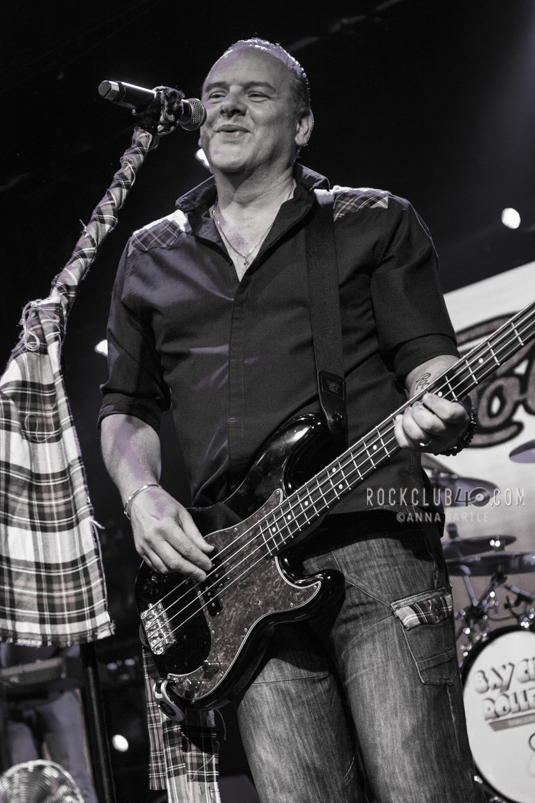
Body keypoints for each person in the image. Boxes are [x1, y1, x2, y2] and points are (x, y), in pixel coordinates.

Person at [99, 38, 484, 803]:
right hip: (236, 576)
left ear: (301, 125)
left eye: (255, 93)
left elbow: (426, 360)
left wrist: (439, 405)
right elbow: (126, 407)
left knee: (418, 790)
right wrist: (141, 493)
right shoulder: (149, 254)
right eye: (215, 93)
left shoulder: (373, 220)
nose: (228, 105)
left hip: (374, 537)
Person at [0, 644, 98, 803]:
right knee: (23, 783)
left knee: (73, 778)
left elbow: (75, 639)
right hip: (13, 705)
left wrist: (59, 663)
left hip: (55, 696)